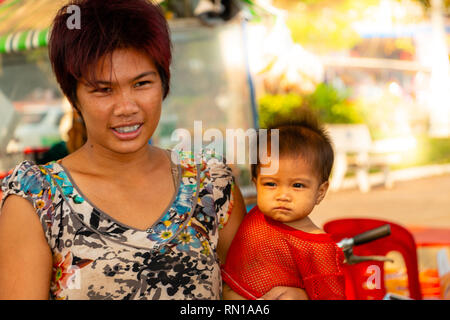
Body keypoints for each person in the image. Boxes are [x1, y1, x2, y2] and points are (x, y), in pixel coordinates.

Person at [0, 0, 306, 300]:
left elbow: (244, 294)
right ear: (74, 97)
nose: (126, 107)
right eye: (103, 90)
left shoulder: (212, 187)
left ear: (164, 83)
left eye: (142, 83)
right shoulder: (37, 199)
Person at [222, 115, 346, 300]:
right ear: (256, 184)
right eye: (271, 184)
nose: (282, 196)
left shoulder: (318, 248)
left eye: (297, 185)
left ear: (320, 192)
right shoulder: (258, 216)